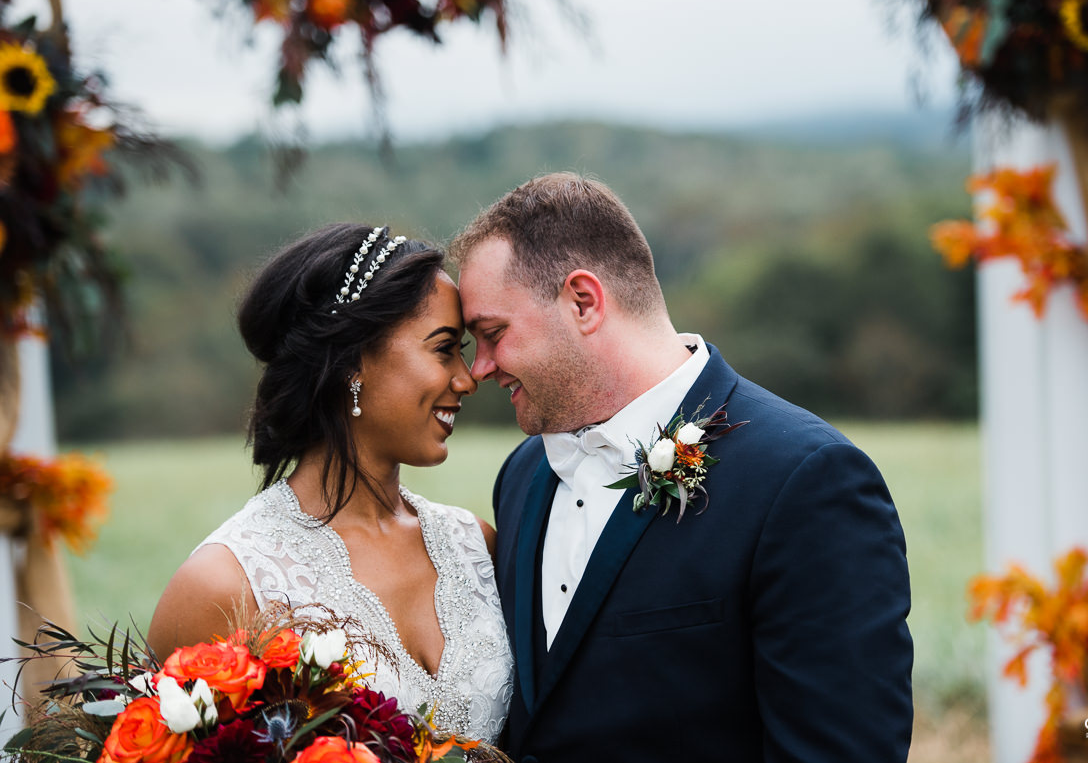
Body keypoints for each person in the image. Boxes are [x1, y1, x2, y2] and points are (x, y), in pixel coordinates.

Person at [450, 173, 913, 763]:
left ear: (583, 301)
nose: (480, 368)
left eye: (492, 334)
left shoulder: (804, 482)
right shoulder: (521, 476)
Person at [147, 223, 513, 744]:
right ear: (352, 362)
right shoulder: (224, 586)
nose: (467, 378)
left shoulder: (477, 547)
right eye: (444, 349)